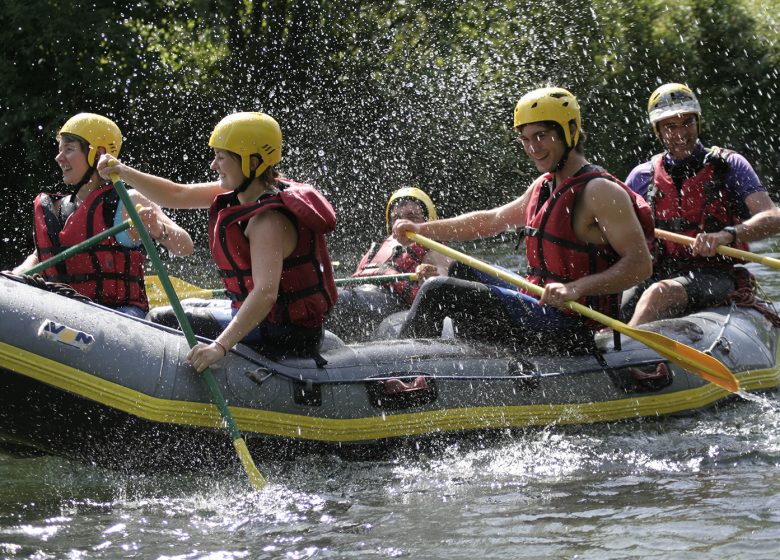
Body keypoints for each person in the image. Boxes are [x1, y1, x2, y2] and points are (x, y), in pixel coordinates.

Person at [393, 87, 654, 353]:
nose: (533, 148)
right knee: (459, 269)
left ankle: (407, 373)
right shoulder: (543, 186)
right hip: (538, 302)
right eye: (525, 139)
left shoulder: (600, 191)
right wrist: (421, 228)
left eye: (542, 136)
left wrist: (576, 288)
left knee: (439, 289)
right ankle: (465, 358)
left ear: (570, 130)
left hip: (570, 325)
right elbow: (490, 221)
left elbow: (640, 265)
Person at [97, 111, 338, 370]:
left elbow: (265, 294)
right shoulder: (243, 191)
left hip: (285, 332)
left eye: (221, 157)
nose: (214, 165)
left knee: (161, 318)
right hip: (268, 319)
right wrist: (122, 171)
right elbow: (176, 195)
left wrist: (218, 347)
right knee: (181, 307)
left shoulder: (266, 221)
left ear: (252, 162)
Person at [622, 83, 780, 326]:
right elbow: (615, 233)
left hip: (715, 275)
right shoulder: (642, 176)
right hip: (658, 272)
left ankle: (625, 358)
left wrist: (726, 235)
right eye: (670, 126)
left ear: (698, 122)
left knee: (659, 293)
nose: (681, 133)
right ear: (659, 131)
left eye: (687, 122)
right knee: (612, 298)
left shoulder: (729, 166)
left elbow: (772, 217)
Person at [13, 112, 193, 318]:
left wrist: (157, 229)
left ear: (97, 155)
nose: (59, 157)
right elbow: (41, 256)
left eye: (69, 149)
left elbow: (185, 247)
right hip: (63, 310)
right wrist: (16, 276)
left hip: (118, 315)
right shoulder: (58, 207)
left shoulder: (128, 201)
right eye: (59, 149)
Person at [325, 187, 451, 341]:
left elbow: (440, 283)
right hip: (362, 297)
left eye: (413, 216)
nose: (403, 222)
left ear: (428, 221)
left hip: (393, 303)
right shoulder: (379, 248)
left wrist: (428, 275)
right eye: (396, 218)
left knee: (336, 301)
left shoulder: (435, 250)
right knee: (326, 296)